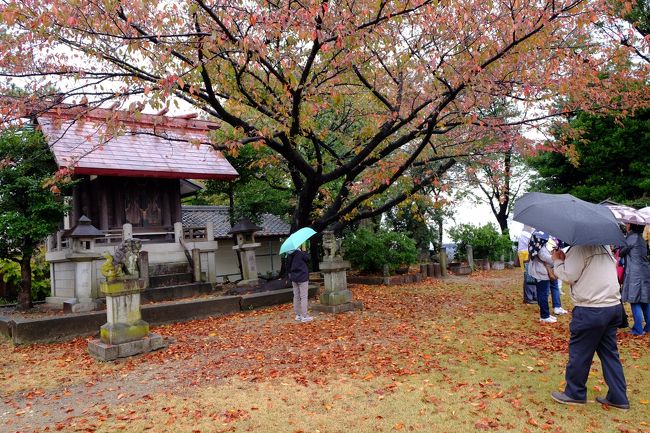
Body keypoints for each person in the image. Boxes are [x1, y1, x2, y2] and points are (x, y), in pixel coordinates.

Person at [550, 244, 629, 410]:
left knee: (580, 353)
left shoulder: (580, 248)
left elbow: (568, 275)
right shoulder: (604, 246)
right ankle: (618, 396)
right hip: (612, 306)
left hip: (591, 308)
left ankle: (574, 393)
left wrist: (557, 261)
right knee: (609, 354)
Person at [527, 231, 567, 323]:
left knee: (543, 293)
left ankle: (546, 314)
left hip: (541, 272)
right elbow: (547, 258)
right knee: (543, 294)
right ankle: (544, 316)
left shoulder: (537, 247)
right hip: (541, 273)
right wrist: (556, 256)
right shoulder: (540, 249)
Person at [619, 223, 650, 336]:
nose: (626, 225)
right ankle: (648, 327)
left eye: (628, 224)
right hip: (645, 271)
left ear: (632, 226)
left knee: (635, 300)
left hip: (635, 274)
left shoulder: (632, 237)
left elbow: (622, 252)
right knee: (645, 300)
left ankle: (638, 329)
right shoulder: (641, 239)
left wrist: (621, 240)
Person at [287, 243, 313, 323]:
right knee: (304, 296)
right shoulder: (300, 253)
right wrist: (304, 251)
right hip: (303, 277)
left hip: (294, 278)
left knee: (296, 296)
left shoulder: (289, 255)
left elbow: (288, 267)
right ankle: (304, 316)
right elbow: (308, 258)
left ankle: (298, 315)